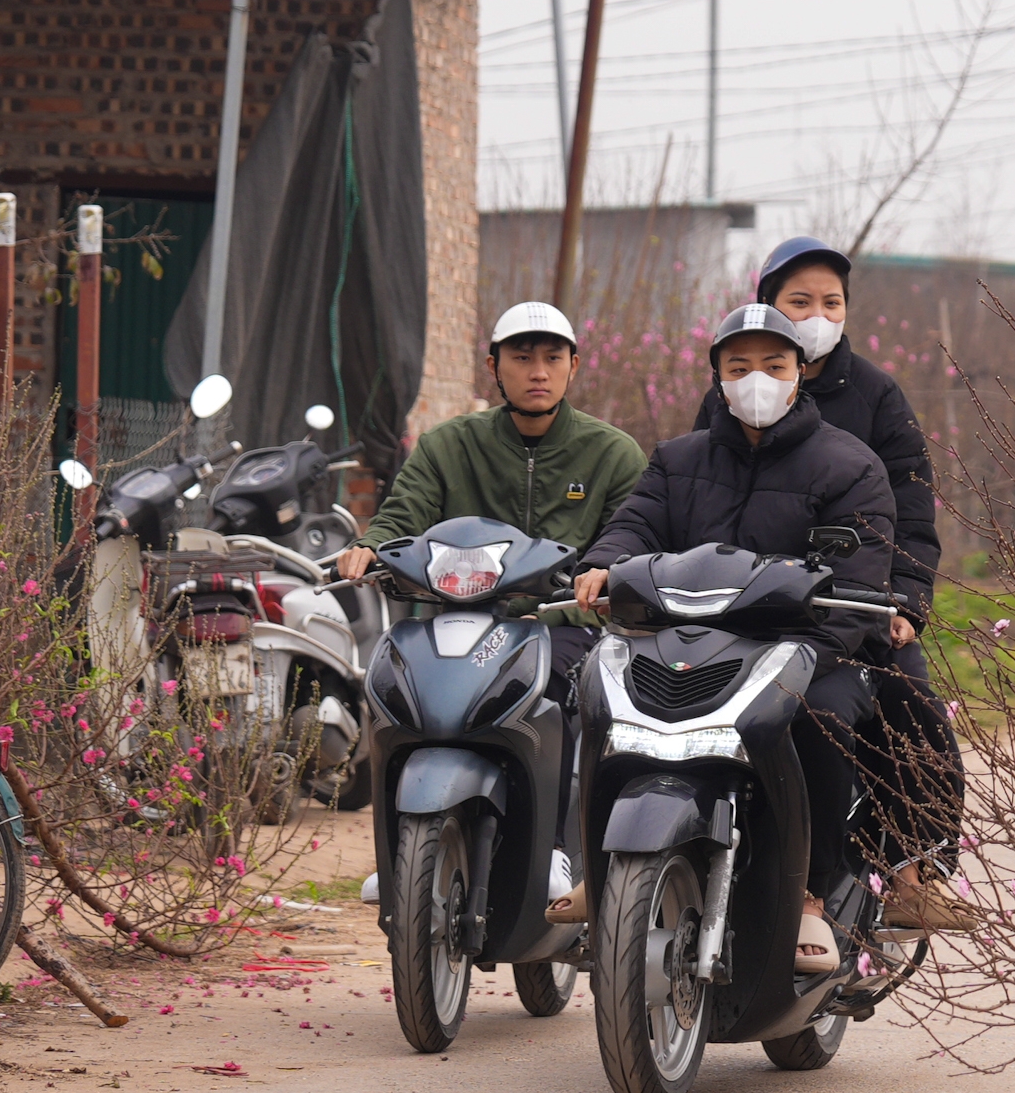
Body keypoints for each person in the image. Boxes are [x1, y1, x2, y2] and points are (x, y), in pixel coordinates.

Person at [575, 304, 896, 973]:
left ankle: (814, 891)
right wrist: (604, 562)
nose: (757, 379)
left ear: (800, 372)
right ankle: (603, 866)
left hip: (805, 649)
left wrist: (816, 644)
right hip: (690, 641)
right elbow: (636, 525)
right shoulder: (677, 457)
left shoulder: (850, 465)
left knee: (824, 717)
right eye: (739, 366)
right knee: (600, 699)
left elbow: (862, 575)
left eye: (774, 365)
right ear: (717, 376)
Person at [692, 236, 967, 933]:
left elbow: (912, 507)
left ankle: (912, 868)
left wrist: (903, 598)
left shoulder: (876, 396)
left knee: (909, 702)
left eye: (831, 302)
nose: (817, 315)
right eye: (799, 301)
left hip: (855, 603)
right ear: (765, 305)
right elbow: (701, 495)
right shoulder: (726, 400)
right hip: (749, 606)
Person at [336, 303, 647, 911]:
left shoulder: (613, 454)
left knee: (558, 684)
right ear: (494, 368)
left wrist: (579, 602)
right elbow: (403, 515)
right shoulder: (449, 445)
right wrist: (369, 546)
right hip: (460, 620)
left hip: (564, 627)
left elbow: (632, 541)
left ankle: (558, 848)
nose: (538, 371)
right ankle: (399, 847)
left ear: (573, 366)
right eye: (521, 357)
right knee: (394, 681)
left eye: (552, 358)